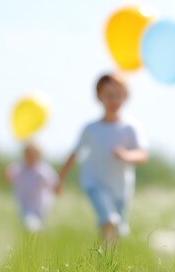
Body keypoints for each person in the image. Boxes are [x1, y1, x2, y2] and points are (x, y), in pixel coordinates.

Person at [56, 73, 148, 246]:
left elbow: (142, 154)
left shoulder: (131, 127)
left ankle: (107, 259)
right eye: (108, 95)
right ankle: (104, 255)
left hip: (121, 185)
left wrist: (126, 155)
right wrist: (59, 180)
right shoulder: (91, 128)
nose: (113, 100)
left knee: (118, 228)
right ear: (99, 97)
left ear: (126, 97)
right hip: (94, 182)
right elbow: (74, 153)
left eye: (118, 95)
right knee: (108, 219)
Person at [5, 142, 58, 232]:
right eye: (28, 154)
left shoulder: (43, 170)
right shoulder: (18, 168)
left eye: (33, 154)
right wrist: (7, 174)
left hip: (41, 206)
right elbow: (6, 178)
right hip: (24, 204)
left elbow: (56, 187)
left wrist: (53, 186)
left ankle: (36, 242)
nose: (30, 157)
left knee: (35, 227)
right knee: (29, 225)